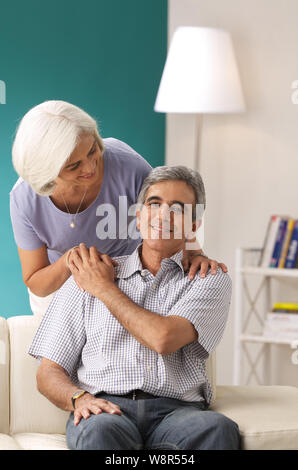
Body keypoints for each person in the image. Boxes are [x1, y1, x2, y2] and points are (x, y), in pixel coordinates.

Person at [29, 165, 240, 450]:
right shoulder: (86, 276)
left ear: (193, 227)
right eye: (155, 204)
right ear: (138, 218)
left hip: (178, 413)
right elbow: (48, 373)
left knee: (217, 429)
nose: (164, 215)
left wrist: (105, 288)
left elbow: (163, 338)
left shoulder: (208, 280)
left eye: (178, 209)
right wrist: (80, 399)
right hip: (105, 409)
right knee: (99, 433)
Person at [10, 100, 227, 318]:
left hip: (128, 281)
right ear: (47, 172)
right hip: (62, 288)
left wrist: (195, 253)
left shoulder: (127, 165)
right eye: (73, 165)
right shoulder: (25, 198)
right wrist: (69, 261)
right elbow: (36, 281)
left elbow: (167, 210)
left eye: (92, 150)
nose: (89, 167)